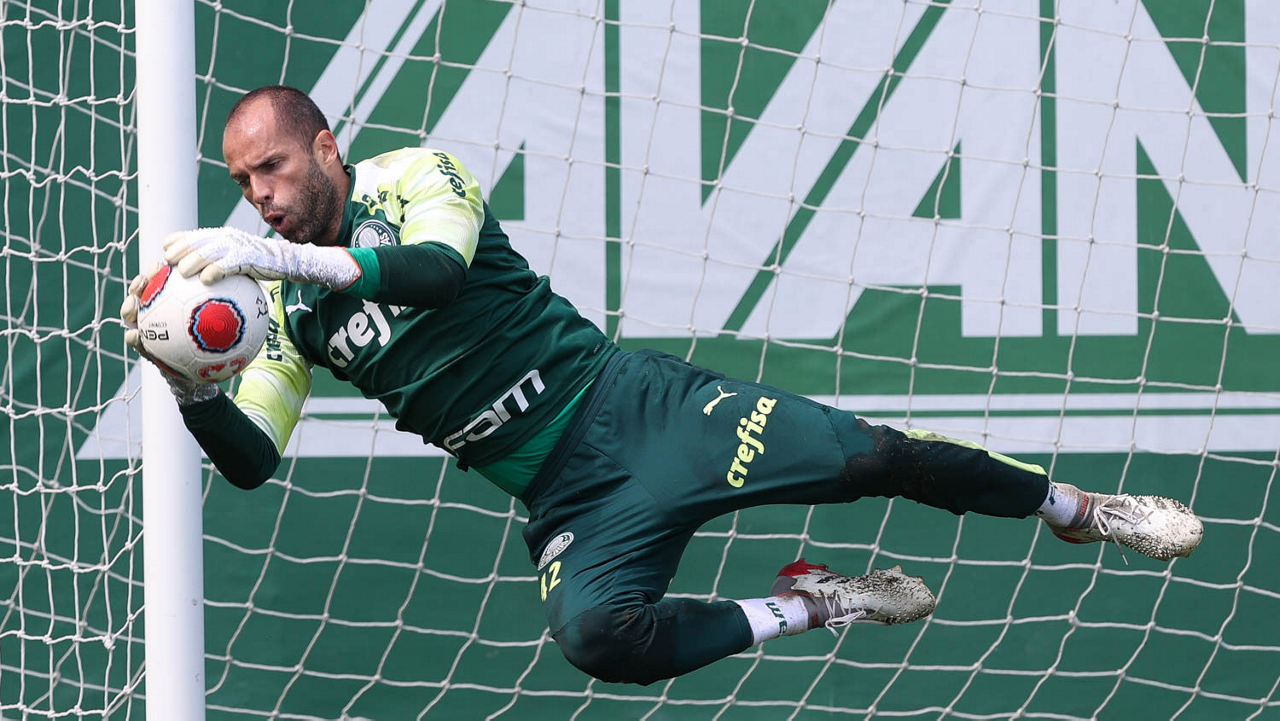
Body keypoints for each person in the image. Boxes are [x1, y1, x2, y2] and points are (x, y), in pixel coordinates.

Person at [119, 85, 1204, 686]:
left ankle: (1078, 509)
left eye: (272, 168)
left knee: (875, 455)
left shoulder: (412, 178)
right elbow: (252, 463)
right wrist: (189, 384)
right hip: (567, 495)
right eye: (243, 184)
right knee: (600, 640)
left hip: (634, 409)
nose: (259, 197)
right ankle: (815, 601)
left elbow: (439, 272)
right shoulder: (278, 312)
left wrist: (290, 259)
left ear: (325, 147)